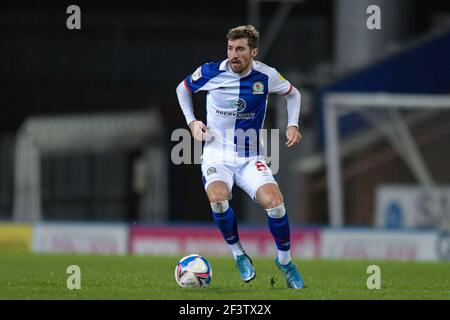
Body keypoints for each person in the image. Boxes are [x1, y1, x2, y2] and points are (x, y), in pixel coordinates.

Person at [175, 25, 304, 289]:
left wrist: (293, 124)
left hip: (249, 156)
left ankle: (285, 262)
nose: (233, 54)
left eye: (240, 49)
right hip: (216, 154)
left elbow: (294, 93)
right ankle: (239, 254)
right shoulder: (211, 72)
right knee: (218, 198)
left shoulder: (266, 76)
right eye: (230, 49)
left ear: (253, 52)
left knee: (276, 203)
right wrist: (191, 123)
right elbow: (182, 88)